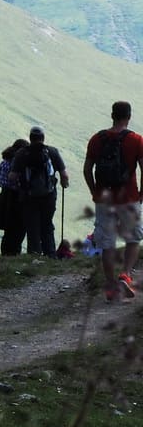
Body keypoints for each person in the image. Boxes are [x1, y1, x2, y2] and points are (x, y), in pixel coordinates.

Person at [82, 101, 143, 300]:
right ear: (129, 116)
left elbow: (87, 169)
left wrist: (94, 192)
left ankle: (110, 287)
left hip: (104, 199)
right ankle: (125, 274)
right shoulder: (136, 140)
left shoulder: (96, 139)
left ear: (112, 115)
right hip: (129, 198)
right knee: (133, 239)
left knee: (107, 243)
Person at [8, 126, 70, 257]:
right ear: (43, 138)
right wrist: (64, 184)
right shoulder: (52, 151)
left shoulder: (22, 154)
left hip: (28, 197)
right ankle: (50, 255)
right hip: (49, 196)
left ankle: (35, 255)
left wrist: (19, 185)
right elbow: (64, 175)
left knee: (32, 226)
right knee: (47, 224)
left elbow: (12, 177)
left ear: (30, 138)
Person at [0, 138, 29, 256]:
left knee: (9, 230)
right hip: (16, 199)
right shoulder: (16, 164)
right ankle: (14, 253)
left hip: (5, 197)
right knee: (19, 229)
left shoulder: (4, 162)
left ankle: (6, 254)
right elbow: (17, 183)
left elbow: (2, 182)